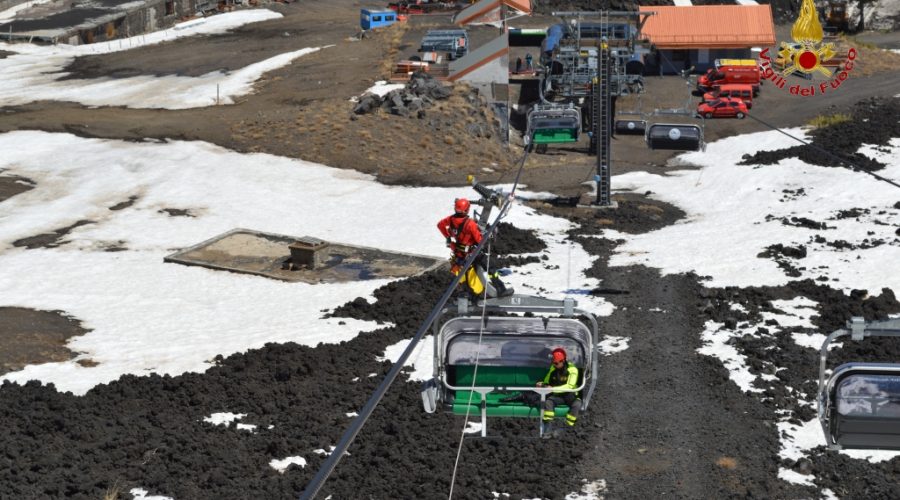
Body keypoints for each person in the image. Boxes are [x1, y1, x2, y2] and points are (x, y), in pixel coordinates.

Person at [436, 198, 512, 299]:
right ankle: (501, 289)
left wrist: (448, 237)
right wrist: (488, 236)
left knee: (466, 273)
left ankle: (468, 293)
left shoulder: (450, 220)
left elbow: (440, 225)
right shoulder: (470, 224)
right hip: (473, 253)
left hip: (459, 253)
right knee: (491, 268)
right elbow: (479, 241)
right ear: (467, 210)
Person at [538, 348, 581, 428]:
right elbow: (547, 380)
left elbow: (570, 386)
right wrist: (543, 384)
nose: (554, 365)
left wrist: (553, 389)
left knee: (577, 405)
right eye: (553, 363)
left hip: (570, 396)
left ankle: (568, 427)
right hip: (558, 396)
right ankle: (548, 426)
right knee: (548, 402)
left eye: (556, 363)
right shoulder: (553, 368)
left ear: (563, 361)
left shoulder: (572, 369)